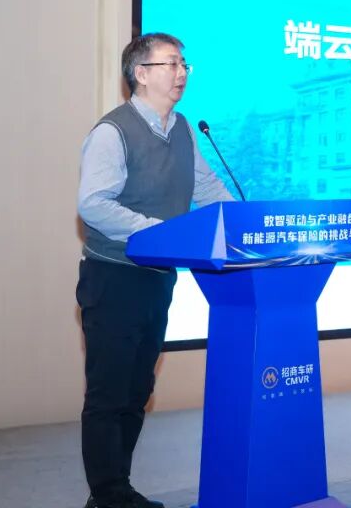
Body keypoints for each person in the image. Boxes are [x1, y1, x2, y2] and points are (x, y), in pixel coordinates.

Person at [76, 33, 234, 508]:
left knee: (137, 388)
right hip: (113, 277)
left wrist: (249, 224)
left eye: (184, 63)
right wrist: (159, 232)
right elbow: (93, 204)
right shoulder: (113, 132)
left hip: (158, 278)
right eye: (171, 63)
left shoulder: (183, 129)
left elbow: (207, 190)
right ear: (140, 74)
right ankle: (109, 495)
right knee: (109, 392)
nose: (182, 72)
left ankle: (115, 489)